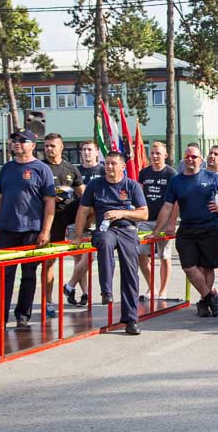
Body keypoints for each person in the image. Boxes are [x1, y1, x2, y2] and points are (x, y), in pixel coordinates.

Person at [0, 130, 55, 333]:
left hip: (32, 229)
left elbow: (49, 202)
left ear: (33, 145)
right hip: (8, 229)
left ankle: (23, 315)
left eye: (23, 141)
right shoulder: (7, 168)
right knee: (4, 274)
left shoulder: (42, 169)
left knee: (29, 275)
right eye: (15, 140)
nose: (18, 143)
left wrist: (45, 230)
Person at [73, 151, 148, 335]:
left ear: (123, 166)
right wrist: (78, 235)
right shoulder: (95, 185)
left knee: (130, 273)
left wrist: (121, 213)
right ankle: (106, 291)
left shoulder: (131, 186)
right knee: (105, 242)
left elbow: (144, 213)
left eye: (113, 163)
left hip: (127, 230)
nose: (109, 167)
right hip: (105, 230)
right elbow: (83, 211)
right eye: (106, 163)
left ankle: (130, 319)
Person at [152, 144, 218, 318]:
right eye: (187, 156)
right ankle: (211, 298)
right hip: (187, 229)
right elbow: (167, 206)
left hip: (209, 228)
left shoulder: (211, 177)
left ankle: (204, 303)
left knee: (208, 268)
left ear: (200, 160)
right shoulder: (176, 181)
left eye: (194, 157)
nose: (190, 159)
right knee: (189, 267)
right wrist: (157, 230)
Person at [41, 133, 85, 318]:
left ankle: (86, 230)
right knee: (49, 261)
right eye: (46, 146)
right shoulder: (40, 167)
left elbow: (83, 194)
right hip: (51, 217)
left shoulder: (70, 168)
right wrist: (50, 196)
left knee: (92, 202)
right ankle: (48, 302)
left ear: (61, 147)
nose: (49, 149)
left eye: (53, 146)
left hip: (70, 214)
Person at [63, 141, 105, 306]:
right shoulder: (75, 171)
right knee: (78, 258)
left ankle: (70, 285)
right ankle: (84, 293)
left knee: (89, 257)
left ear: (96, 152)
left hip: (96, 221)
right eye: (84, 150)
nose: (86, 152)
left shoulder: (102, 170)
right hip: (76, 220)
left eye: (90, 150)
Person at [136, 141, 177, 301]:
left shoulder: (171, 174)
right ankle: (151, 287)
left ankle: (163, 290)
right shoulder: (144, 173)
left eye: (158, 153)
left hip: (164, 221)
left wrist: (172, 223)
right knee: (141, 255)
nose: (154, 156)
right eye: (152, 153)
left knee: (164, 256)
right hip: (146, 220)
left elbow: (176, 201)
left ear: (165, 155)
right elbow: (138, 195)